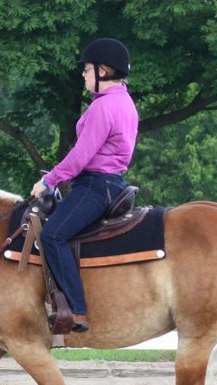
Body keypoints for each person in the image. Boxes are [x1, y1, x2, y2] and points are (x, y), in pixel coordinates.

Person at [30, 38, 138, 333]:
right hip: (111, 183)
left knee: (52, 235)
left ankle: (77, 310)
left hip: (95, 185)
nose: (84, 75)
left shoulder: (103, 108)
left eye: (88, 69)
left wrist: (47, 180)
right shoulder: (123, 101)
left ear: (104, 70)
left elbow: (80, 156)